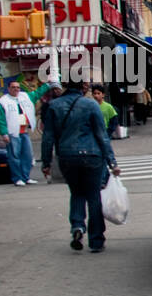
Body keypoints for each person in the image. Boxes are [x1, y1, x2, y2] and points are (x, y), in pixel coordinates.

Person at [41, 79, 120, 252]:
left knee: (76, 193)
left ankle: (77, 226)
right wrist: (111, 161)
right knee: (93, 196)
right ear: (83, 88)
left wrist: (46, 162)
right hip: (92, 155)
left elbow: (47, 137)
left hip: (67, 156)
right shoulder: (91, 105)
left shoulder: (54, 106)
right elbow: (101, 134)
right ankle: (96, 240)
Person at [0, 80, 52, 185]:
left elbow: (37, 93)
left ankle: (26, 177)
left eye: (18, 87)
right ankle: (17, 178)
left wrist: (48, 85)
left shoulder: (24, 97)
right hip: (12, 133)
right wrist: (4, 133)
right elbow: (0, 119)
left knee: (28, 156)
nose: (16, 89)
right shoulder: (2, 102)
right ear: (8, 89)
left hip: (24, 131)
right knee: (14, 157)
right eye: (13, 87)